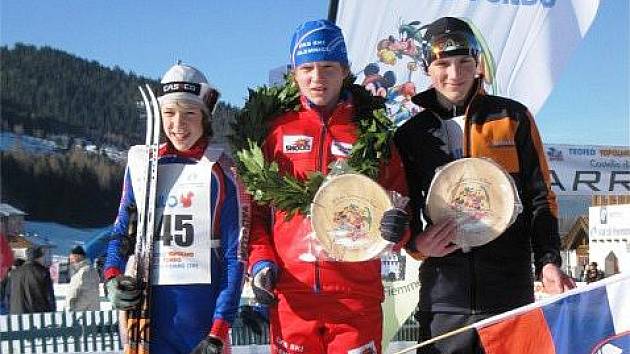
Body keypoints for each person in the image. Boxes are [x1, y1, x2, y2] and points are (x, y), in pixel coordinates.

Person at [394, 17, 575, 353]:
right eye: (443, 64)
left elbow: (540, 198)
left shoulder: (512, 117)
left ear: (478, 64)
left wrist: (548, 261)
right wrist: (418, 245)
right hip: (444, 301)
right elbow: (403, 206)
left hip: (509, 296)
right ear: (426, 68)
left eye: (465, 62)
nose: (455, 74)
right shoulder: (411, 134)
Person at [247, 19, 409, 354]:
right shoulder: (276, 132)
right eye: (307, 68)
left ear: (345, 70)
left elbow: (399, 201)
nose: (317, 78)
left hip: (355, 298)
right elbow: (258, 212)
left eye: (328, 67)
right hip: (293, 296)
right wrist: (261, 262)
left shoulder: (371, 133)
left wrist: (398, 228)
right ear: (294, 73)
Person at [103, 63, 244, 354]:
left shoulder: (223, 170)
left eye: (189, 113)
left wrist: (219, 331)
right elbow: (120, 232)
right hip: (148, 319)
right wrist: (112, 277)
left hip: (202, 322)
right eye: (169, 113)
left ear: (205, 117)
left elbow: (235, 256)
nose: (178, 124)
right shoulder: (144, 166)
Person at [9, 246, 56, 314]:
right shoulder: (42, 272)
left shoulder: (14, 273)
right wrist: (52, 311)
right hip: (37, 315)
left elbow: (8, 295)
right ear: (39, 257)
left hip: (16, 314)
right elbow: (49, 296)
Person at [66, 245, 100, 311]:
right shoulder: (79, 271)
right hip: (82, 315)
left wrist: (73, 310)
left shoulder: (86, 271)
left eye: (72, 257)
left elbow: (88, 295)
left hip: (83, 316)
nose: (70, 260)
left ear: (79, 256)